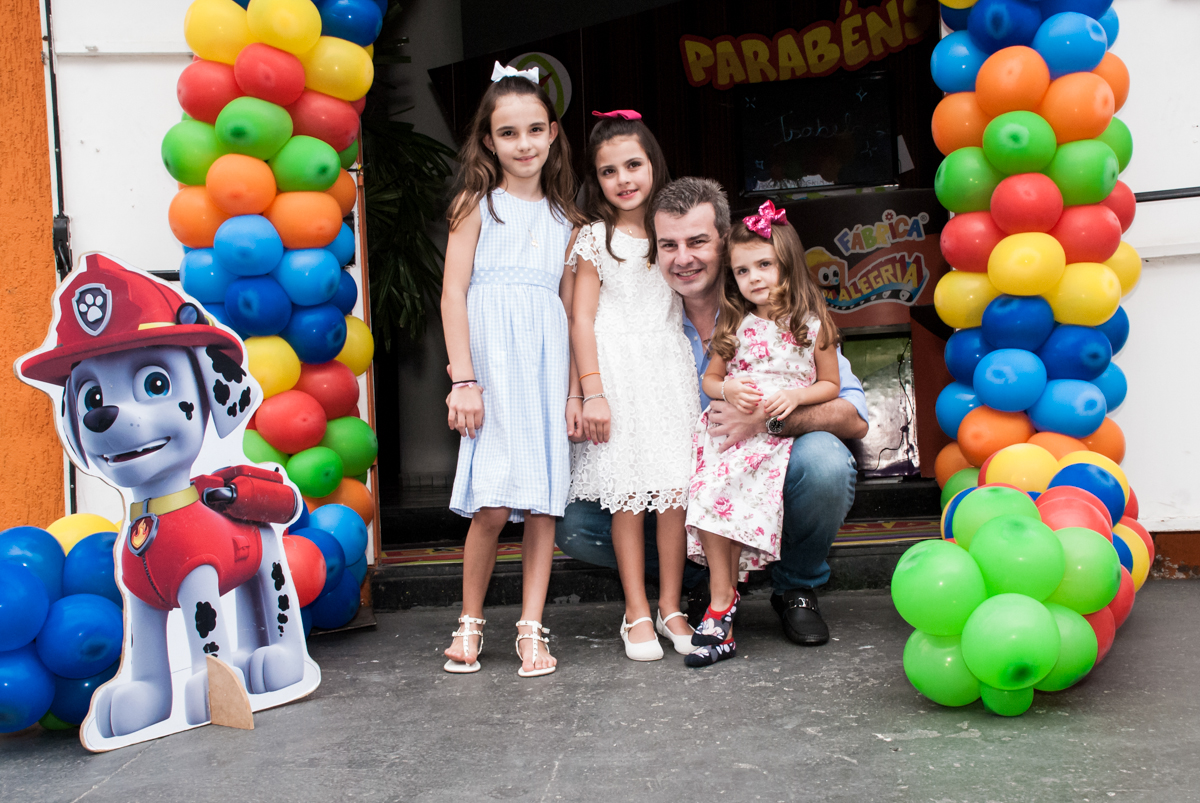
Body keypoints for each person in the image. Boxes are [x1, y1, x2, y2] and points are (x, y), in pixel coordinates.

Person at [557, 177, 868, 647]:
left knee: (824, 462)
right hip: (684, 491)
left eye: (698, 242)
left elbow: (852, 417)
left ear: (725, 243)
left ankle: (796, 587)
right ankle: (704, 584)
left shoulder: (775, 315)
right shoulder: (645, 326)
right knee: (579, 526)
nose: (683, 258)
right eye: (669, 245)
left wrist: (767, 417)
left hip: (762, 473)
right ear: (653, 251)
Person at [440, 62, 587, 678]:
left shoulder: (569, 220)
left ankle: (531, 625)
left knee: (543, 503)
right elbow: (452, 295)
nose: (523, 144)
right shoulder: (478, 206)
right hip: (492, 372)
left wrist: (579, 391)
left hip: (546, 368)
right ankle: (469, 621)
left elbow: (576, 312)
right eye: (508, 133)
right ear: (488, 141)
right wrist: (463, 379)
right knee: (492, 503)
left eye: (534, 130)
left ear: (553, 134)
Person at [684, 201, 840, 667]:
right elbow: (710, 380)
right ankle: (721, 600)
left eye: (765, 265)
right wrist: (727, 385)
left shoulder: (813, 325)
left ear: (788, 264)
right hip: (730, 432)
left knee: (742, 501)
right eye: (743, 270)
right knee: (713, 492)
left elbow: (830, 384)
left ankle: (727, 607)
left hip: (773, 436)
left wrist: (798, 397)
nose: (754, 278)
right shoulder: (732, 322)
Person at [568, 110, 699, 661]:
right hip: (616, 374)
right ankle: (636, 609)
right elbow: (579, 319)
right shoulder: (594, 236)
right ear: (595, 180)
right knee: (627, 496)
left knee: (672, 492)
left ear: (653, 165)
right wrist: (590, 391)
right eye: (608, 171)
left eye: (633, 165)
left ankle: (671, 605)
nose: (623, 179)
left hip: (669, 371)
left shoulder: (673, 230)